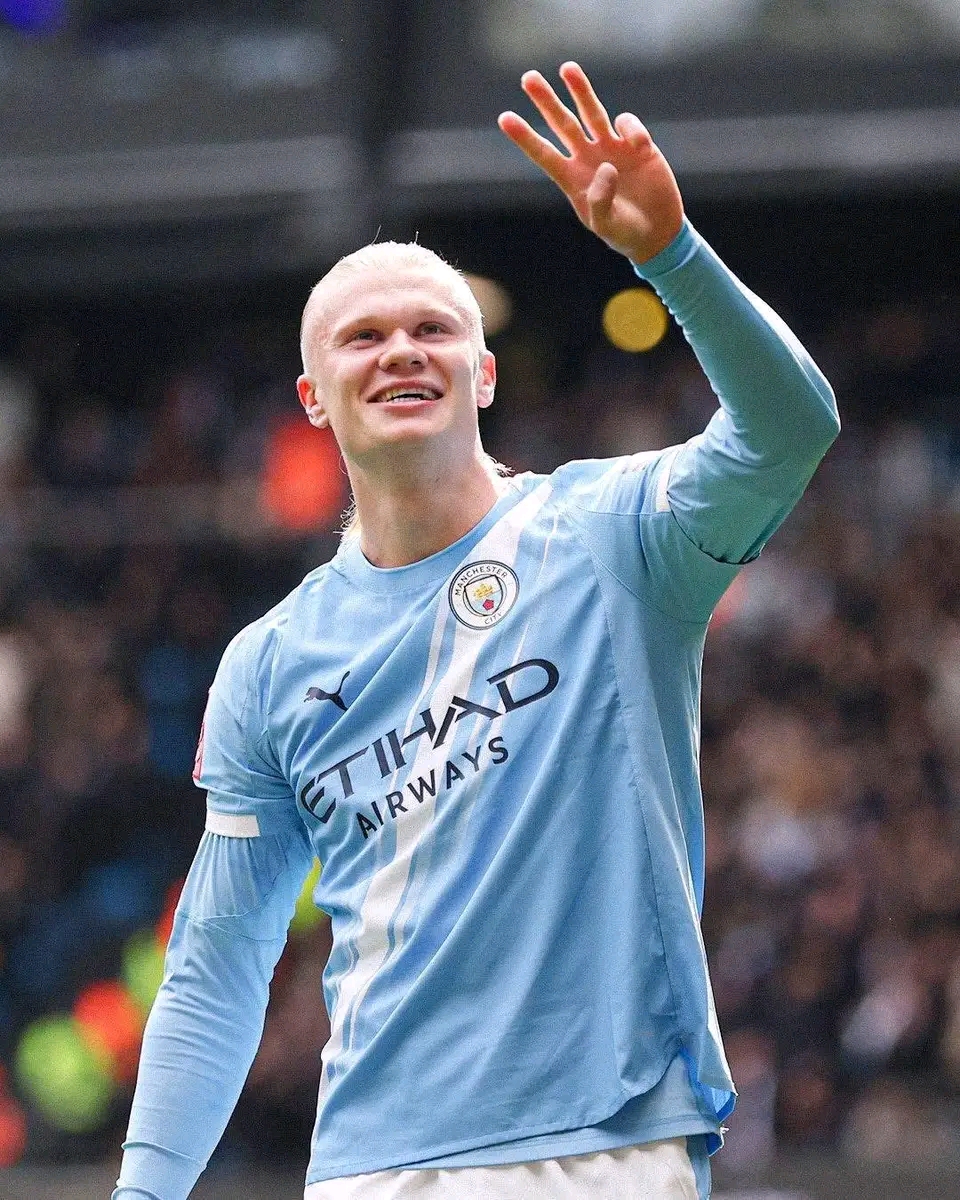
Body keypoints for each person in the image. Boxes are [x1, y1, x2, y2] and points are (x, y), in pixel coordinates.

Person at [113, 62, 839, 1200]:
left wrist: (671, 254)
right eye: (361, 338)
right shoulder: (270, 662)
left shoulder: (613, 536)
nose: (400, 350)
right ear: (313, 397)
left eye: (431, 329)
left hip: (602, 1147)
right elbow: (215, 967)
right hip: (369, 1168)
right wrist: (143, 1192)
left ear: (483, 371)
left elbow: (790, 430)